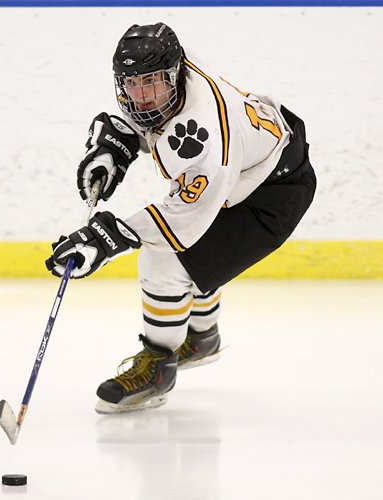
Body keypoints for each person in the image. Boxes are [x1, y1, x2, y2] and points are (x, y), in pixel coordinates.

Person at [45, 22, 316, 414]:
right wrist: (117, 143)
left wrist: (103, 239)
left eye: (150, 82)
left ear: (173, 74)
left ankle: (159, 368)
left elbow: (180, 223)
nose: (141, 95)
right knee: (196, 257)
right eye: (131, 83)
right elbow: (156, 121)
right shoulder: (180, 76)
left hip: (271, 195)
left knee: (164, 260)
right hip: (251, 167)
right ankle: (202, 338)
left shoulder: (206, 133)